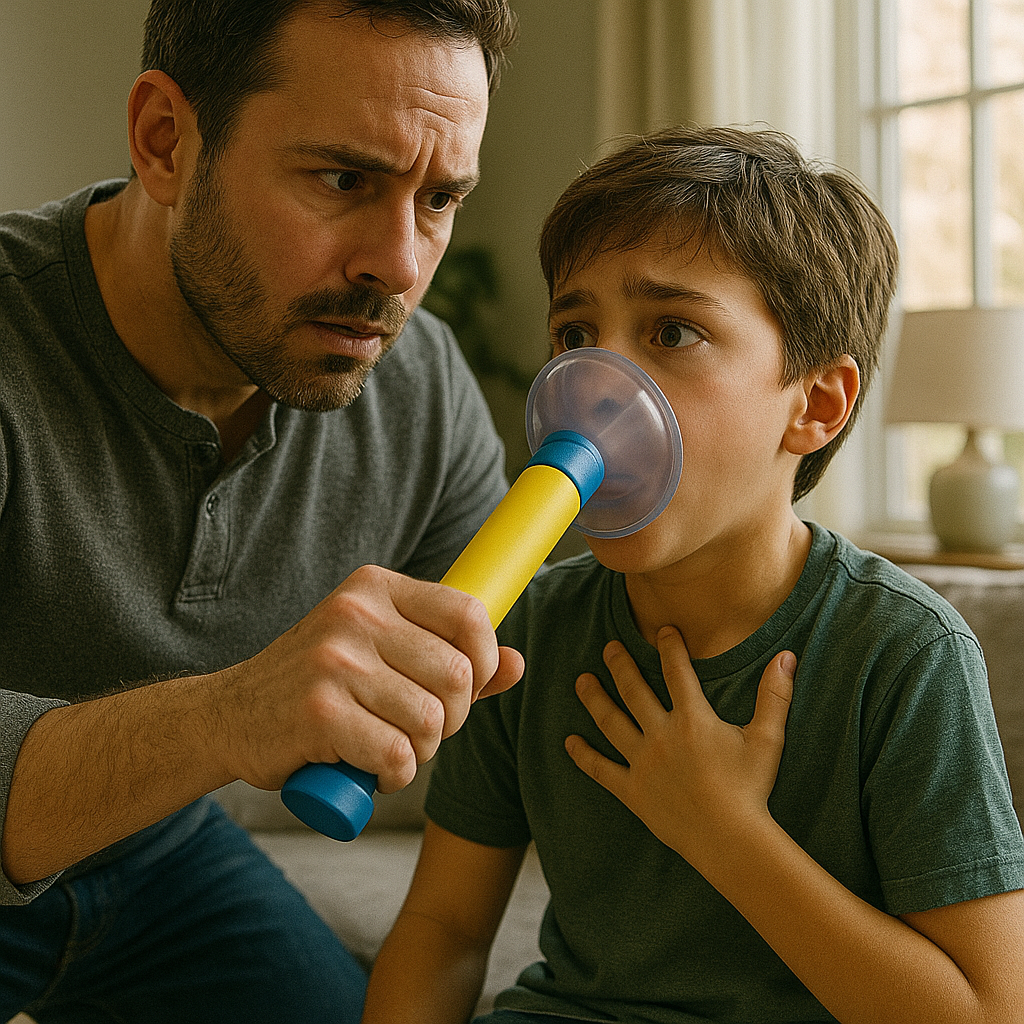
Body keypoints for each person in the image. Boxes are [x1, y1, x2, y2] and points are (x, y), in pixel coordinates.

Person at [362, 125, 1024, 1024]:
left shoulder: (902, 654)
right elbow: (442, 930)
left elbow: (986, 1010)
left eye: (672, 331)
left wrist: (727, 834)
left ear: (816, 405)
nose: (597, 381)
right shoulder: (527, 631)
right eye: (576, 332)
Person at [0, 1, 523, 1021]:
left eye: (438, 199)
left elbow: (530, 688)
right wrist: (229, 716)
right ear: (166, 141)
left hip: (156, 849)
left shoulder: (419, 391)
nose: (399, 266)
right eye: (343, 180)